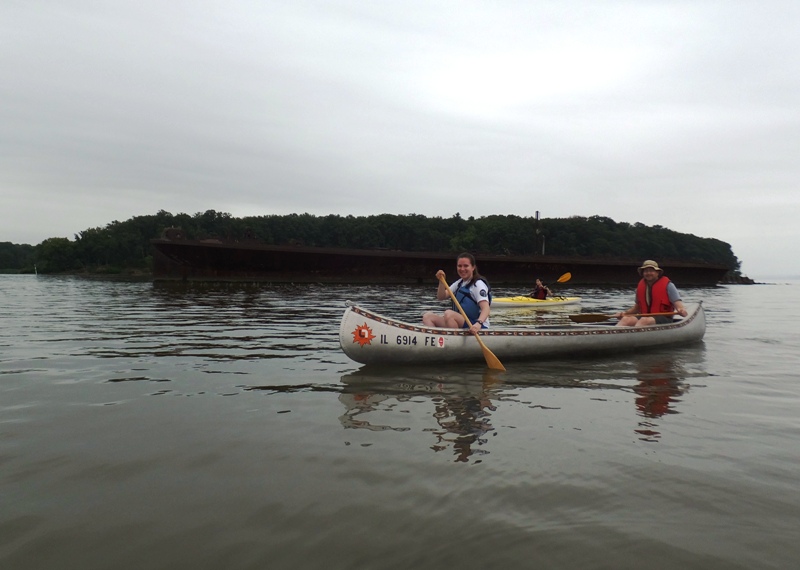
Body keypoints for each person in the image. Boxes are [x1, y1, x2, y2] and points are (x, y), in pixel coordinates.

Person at [422, 252, 491, 333]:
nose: (462, 269)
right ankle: (438, 338)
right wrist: (441, 281)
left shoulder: (478, 284)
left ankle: (453, 338)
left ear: (473, 267)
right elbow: (441, 296)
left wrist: (478, 324)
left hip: (477, 325)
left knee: (449, 314)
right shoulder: (459, 283)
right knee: (427, 317)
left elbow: (486, 308)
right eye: (459, 266)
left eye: (466, 266)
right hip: (462, 322)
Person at [614, 260, 689, 327]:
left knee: (644, 321)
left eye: (651, 271)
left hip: (664, 318)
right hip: (645, 316)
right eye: (646, 271)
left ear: (657, 273)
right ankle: (615, 335)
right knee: (626, 319)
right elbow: (637, 308)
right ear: (643, 273)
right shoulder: (640, 286)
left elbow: (678, 305)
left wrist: (681, 310)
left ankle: (634, 336)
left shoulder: (669, 286)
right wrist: (624, 314)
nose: (648, 273)